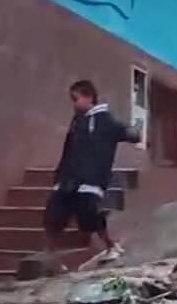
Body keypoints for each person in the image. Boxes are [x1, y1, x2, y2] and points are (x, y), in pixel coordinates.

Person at [48, 79, 139, 267]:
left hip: (92, 177)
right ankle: (50, 255)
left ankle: (111, 246)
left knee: (89, 212)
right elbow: (68, 150)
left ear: (89, 98)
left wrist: (133, 132)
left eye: (76, 99)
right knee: (55, 212)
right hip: (69, 177)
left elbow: (126, 132)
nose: (73, 104)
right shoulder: (77, 122)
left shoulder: (105, 120)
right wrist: (59, 175)